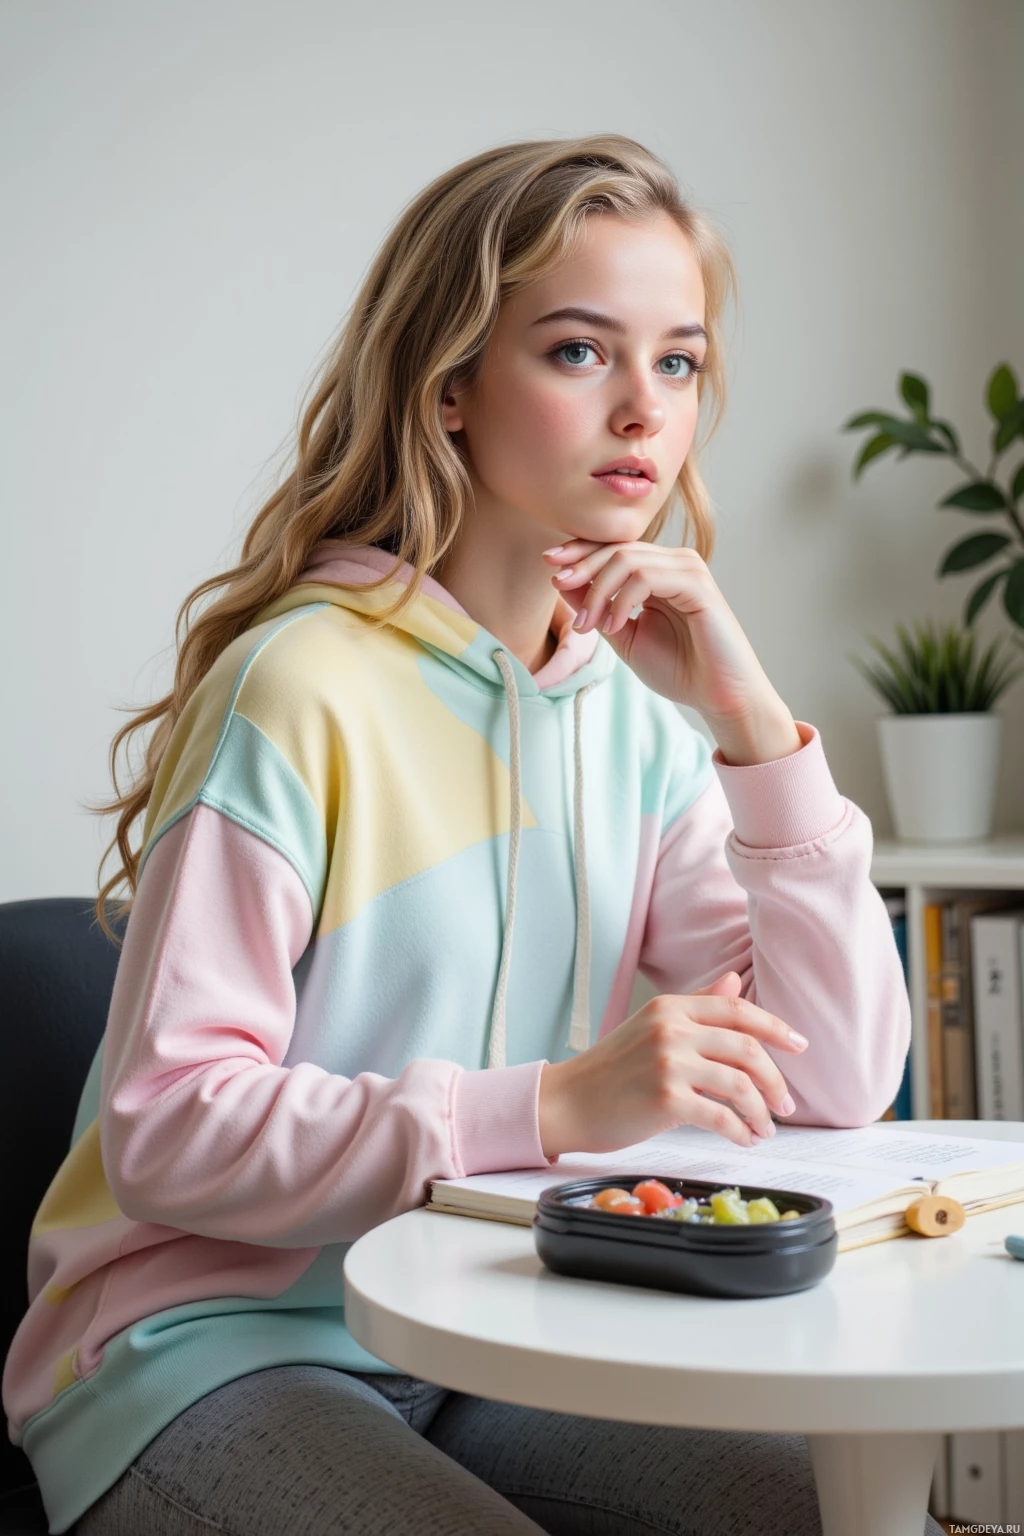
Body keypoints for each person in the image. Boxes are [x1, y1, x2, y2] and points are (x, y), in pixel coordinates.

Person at [3, 134, 934, 1536]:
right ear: (450, 389)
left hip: (505, 1325)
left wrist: (756, 732)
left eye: (676, 362)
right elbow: (165, 1128)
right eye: (578, 352)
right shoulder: (300, 684)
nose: (643, 411)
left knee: (833, 1511)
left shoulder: (642, 720)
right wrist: (549, 1109)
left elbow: (838, 1086)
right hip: (214, 1349)